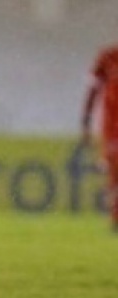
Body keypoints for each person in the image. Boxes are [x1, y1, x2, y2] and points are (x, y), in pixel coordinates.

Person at [81, 44, 118, 232]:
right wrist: (85, 121)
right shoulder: (107, 58)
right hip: (112, 129)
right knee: (114, 175)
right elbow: (92, 91)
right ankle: (115, 218)